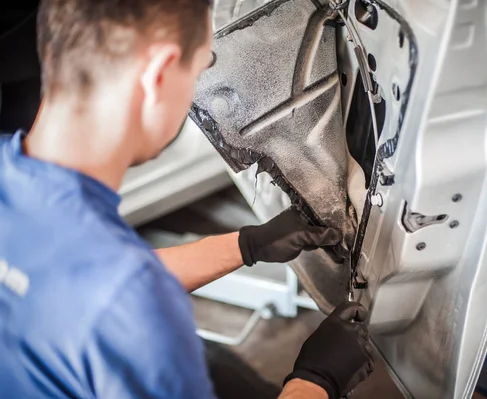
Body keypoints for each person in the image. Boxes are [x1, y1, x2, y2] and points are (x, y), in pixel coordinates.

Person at [0, 0, 374, 398]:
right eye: (196, 71)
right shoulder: (135, 313)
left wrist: (247, 245)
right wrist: (317, 380)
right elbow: (121, 296)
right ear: (158, 74)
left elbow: (73, 283)